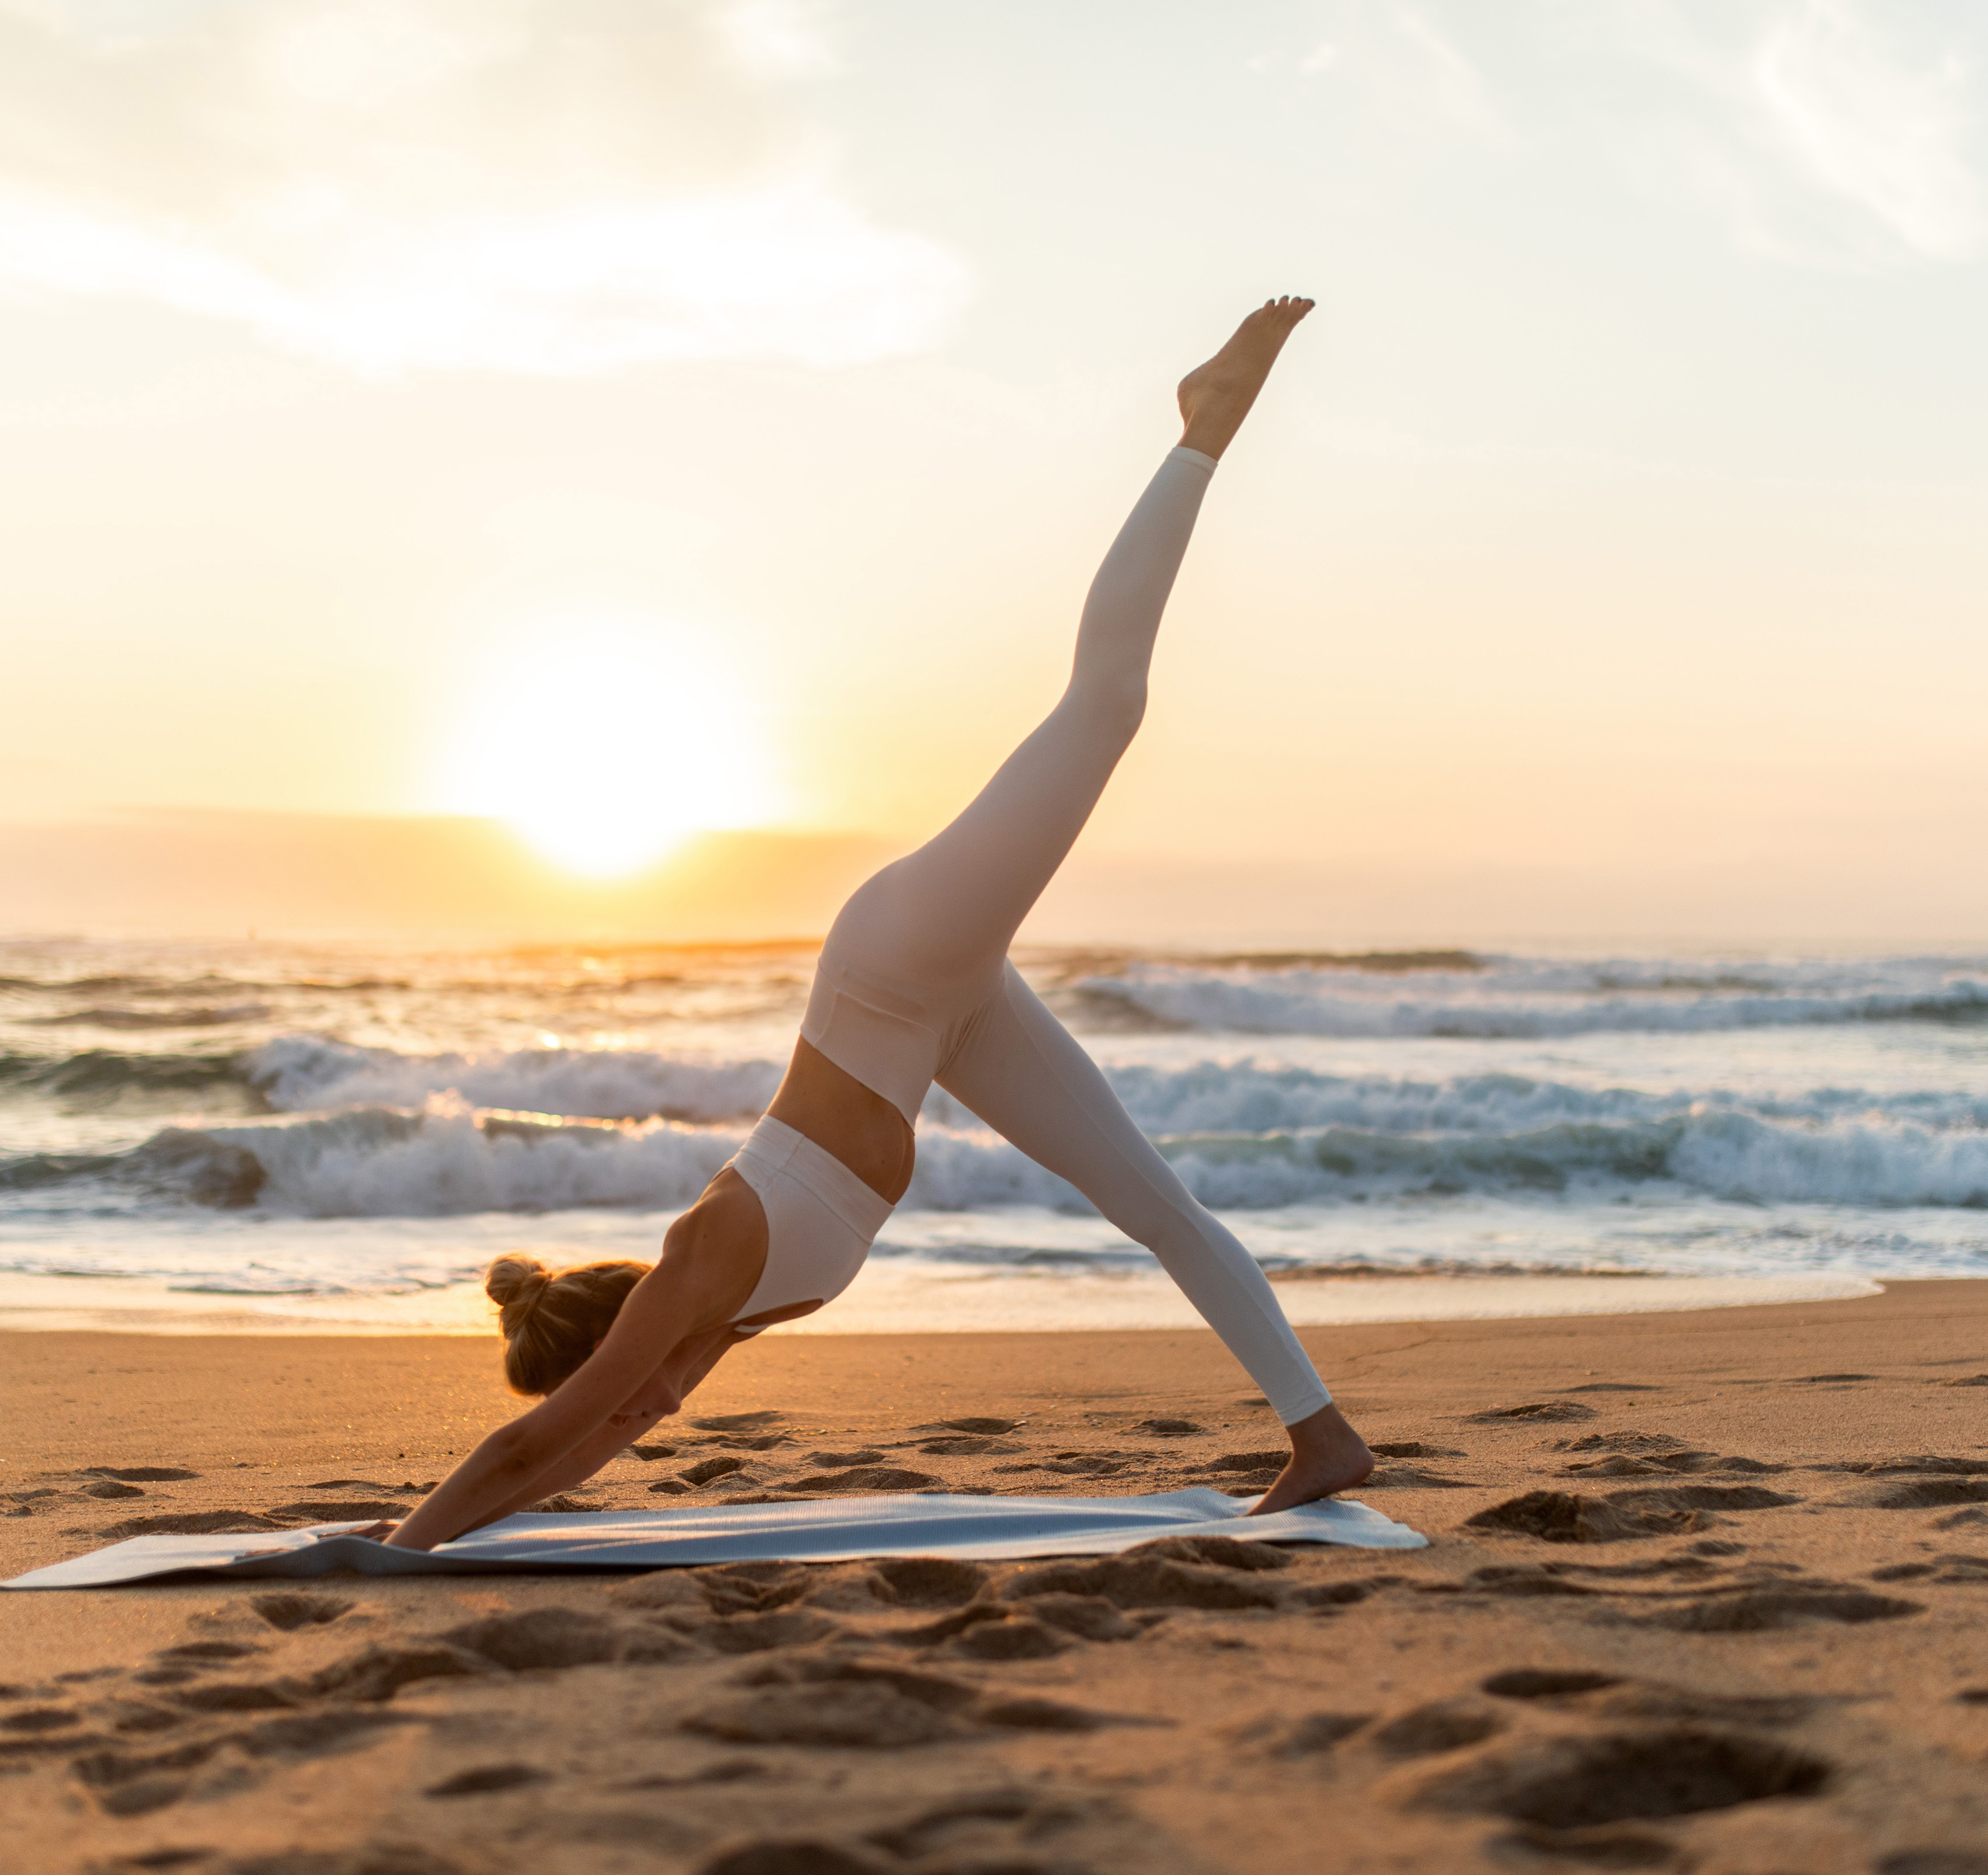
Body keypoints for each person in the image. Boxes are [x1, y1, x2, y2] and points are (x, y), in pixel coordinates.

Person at [379, 297, 1372, 1551]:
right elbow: (569, 1455)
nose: (646, 1414)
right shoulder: (712, 1329)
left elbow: (539, 1440)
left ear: (618, 1344)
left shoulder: (710, 1250)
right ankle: (1321, 1434)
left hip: (897, 961)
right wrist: (460, 1533)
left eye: (628, 1393)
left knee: (1104, 708)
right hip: (941, 1019)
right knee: (1154, 1204)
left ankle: (1201, 429)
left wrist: (392, 1547)